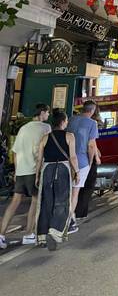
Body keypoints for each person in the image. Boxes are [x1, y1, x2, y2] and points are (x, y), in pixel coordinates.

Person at [0, 103, 51, 249]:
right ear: (42, 113)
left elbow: (15, 152)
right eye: (47, 113)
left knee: (15, 202)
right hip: (34, 170)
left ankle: (1, 235)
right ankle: (29, 234)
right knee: (35, 201)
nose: (48, 116)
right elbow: (44, 150)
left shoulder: (23, 128)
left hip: (21, 170)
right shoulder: (45, 128)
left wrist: (16, 171)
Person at [35, 110, 79, 251]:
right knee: (62, 201)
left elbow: (39, 159)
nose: (67, 123)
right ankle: (54, 231)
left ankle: (42, 235)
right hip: (63, 169)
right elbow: (72, 157)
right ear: (63, 121)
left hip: (47, 170)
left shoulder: (45, 137)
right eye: (66, 121)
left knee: (46, 202)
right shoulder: (69, 136)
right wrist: (76, 172)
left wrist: (37, 175)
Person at [67, 100, 100, 233]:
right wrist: (92, 160)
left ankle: (66, 216)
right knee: (75, 192)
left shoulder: (71, 119)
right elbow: (91, 145)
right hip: (81, 161)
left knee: (67, 191)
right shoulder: (93, 123)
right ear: (92, 111)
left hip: (67, 160)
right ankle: (70, 220)